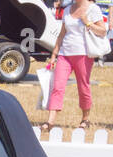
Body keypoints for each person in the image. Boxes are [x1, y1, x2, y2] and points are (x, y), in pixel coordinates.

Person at [43, 0, 105, 131]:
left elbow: (103, 31)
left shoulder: (93, 9)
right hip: (65, 54)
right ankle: (50, 121)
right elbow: (61, 34)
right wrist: (54, 55)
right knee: (57, 87)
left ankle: (85, 118)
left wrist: (88, 23)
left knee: (83, 87)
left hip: (83, 54)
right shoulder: (67, 9)